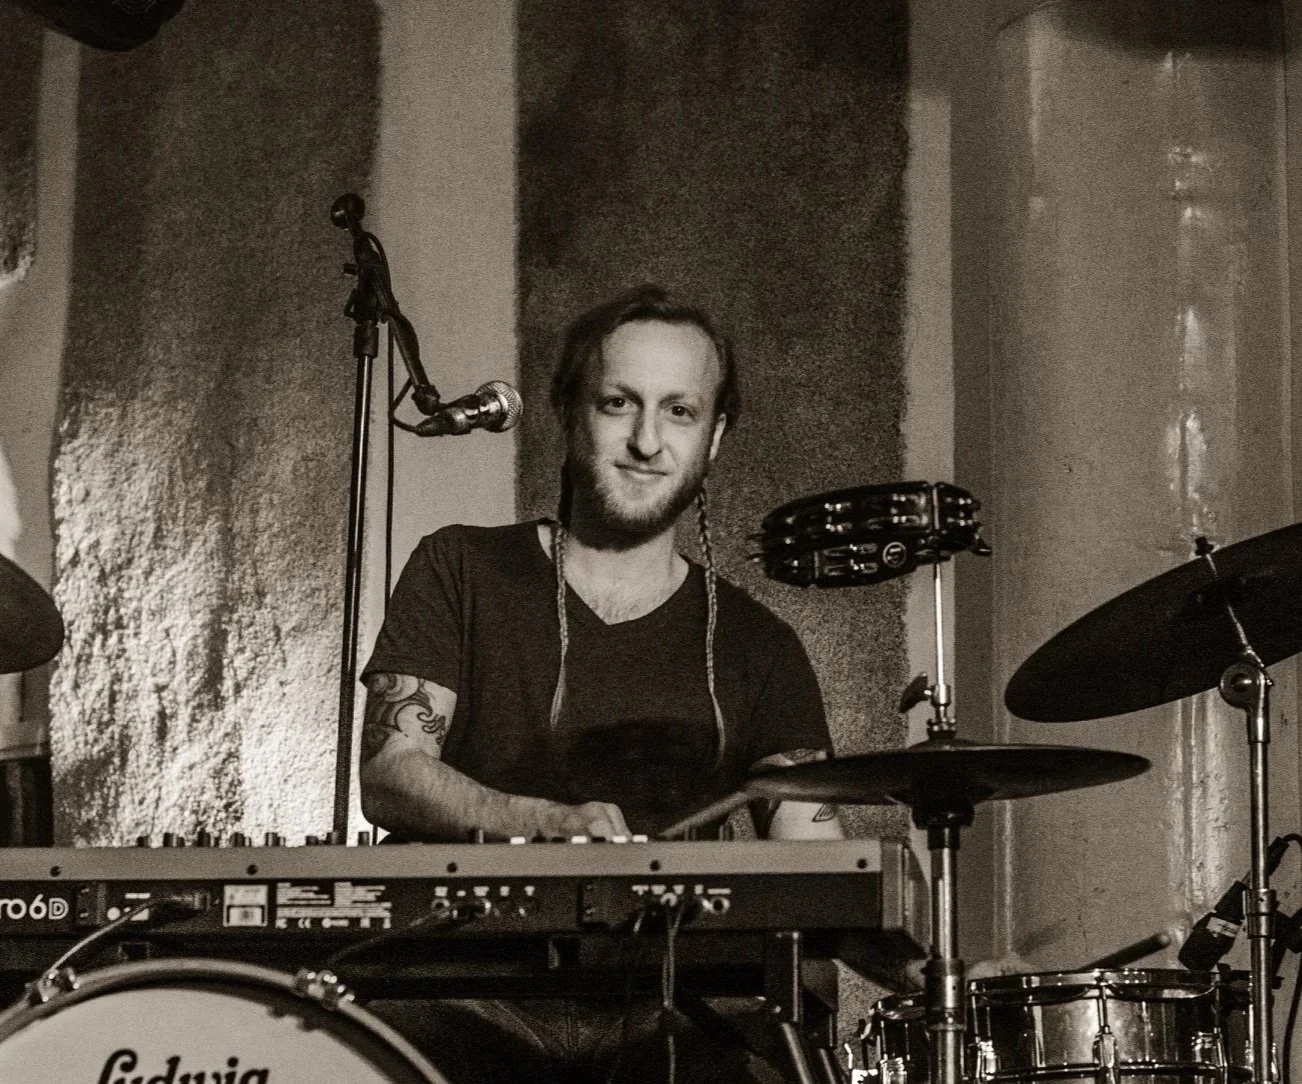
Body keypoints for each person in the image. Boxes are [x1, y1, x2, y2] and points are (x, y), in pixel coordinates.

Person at [358, 285, 842, 1083]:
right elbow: (391, 773)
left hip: (672, 1008)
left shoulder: (763, 646)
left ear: (715, 437)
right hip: (462, 991)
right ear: (568, 410)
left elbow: (813, 865)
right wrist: (539, 825)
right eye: (620, 402)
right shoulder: (460, 567)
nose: (647, 440)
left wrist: (904, 936)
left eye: (679, 412)